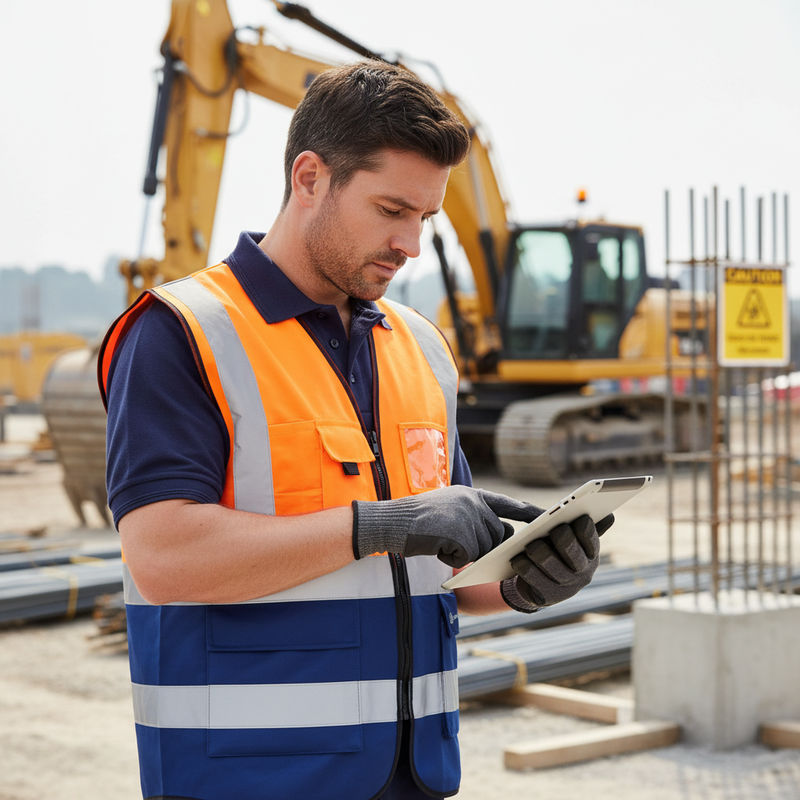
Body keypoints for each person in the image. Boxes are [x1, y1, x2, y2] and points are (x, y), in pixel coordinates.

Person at [99, 60, 611, 800]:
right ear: (310, 177)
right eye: (391, 209)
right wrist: (381, 524)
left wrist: (530, 581)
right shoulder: (182, 332)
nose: (409, 242)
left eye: (425, 219)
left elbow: (450, 579)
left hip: (413, 776)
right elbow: (165, 558)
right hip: (251, 778)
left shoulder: (422, 347)